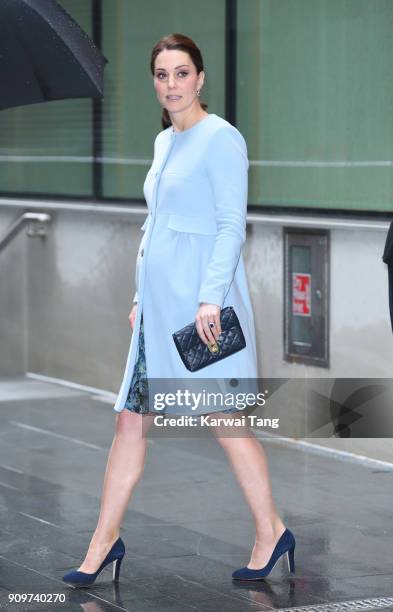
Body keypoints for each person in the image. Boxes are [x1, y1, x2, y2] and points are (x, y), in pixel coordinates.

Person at [62, 32, 295, 587]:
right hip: (157, 308)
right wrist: (141, 294)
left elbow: (229, 225)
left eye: (182, 73)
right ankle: (103, 541)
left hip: (200, 310)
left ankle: (271, 532)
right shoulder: (165, 142)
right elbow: (158, 221)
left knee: (224, 420)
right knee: (129, 420)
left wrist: (211, 296)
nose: (172, 85)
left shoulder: (222, 139)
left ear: (201, 77)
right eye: (162, 75)